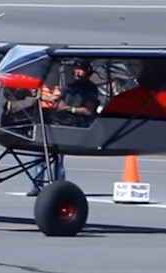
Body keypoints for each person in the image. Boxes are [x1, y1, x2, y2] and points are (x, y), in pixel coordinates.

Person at [26, 59, 100, 196]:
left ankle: (57, 186)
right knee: (38, 153)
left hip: (74, 125)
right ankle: (37, 186)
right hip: (58, 121)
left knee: (57, 158)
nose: (77, 72)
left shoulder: (91, 90)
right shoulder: (70, 86)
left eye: (81, 69)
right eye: (76, 69)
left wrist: (69, 108)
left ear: (88, 71)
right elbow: (56, 98)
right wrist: (38, 95)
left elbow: (88, 111)